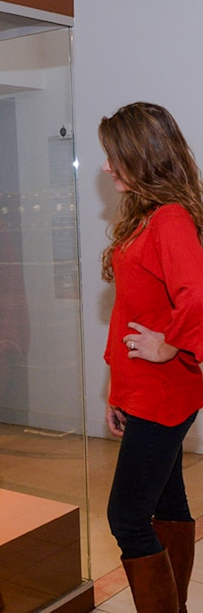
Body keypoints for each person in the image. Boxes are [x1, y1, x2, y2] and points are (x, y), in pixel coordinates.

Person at [99, 102, 203, 612]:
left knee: (127, 517)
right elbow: (128, 309)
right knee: (167, 502)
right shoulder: (147, 215)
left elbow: (198, 296)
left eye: (113, 155)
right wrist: (117, 391)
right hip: (147, 392)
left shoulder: (170, 218)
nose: (106, 166)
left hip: (164, 393)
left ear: (142, 155)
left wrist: (167, 346)